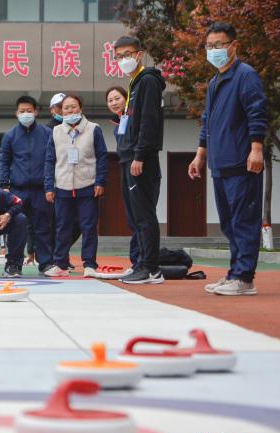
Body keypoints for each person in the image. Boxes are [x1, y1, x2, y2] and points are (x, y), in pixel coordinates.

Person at [189, 22, 267, 296]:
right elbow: (208, 121)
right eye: (210, 46)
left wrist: (256, 149)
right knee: (228, 222)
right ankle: (235, 273)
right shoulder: (214, 82)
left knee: (244, 220)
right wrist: (200, 155)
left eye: (220, 45)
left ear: (234, 46)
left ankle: (245, 278)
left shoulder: (246, 76)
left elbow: (257, 113)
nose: (214, 50)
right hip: (219, 164)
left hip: (241, 162)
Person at [113, 35, 165, 285]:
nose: (123, 59)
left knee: (144, 215)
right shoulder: (134, 83)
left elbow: (148, 122)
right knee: (135, 216)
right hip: (128, 157)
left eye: (127, 54)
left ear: (139, 54)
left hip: (140, 159)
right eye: (119, 56)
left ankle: (151, 268)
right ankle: (141, 264)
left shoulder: (147, 82)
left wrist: (140, 155)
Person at [43, 95, 108, 278]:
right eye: (66, 108)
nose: (70, 111)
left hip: (87, 185)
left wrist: (100, 181)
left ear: (80, 108)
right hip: (62, 185)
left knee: (88, 226)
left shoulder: (94, 129)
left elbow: (102, 157)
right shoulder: (56, 132)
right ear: (60, 111)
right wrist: (49, 186)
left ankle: (89, 264)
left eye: (73, 107)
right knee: (62, 227)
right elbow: (49, 160)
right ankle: (61, 264)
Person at [0, 95, 54, 276]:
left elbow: (52, 160)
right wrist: (4, 185)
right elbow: (4, 162)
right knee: (17, 226)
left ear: (36, 112)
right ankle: (14, 264)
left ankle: (46, 264)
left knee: (43, 228)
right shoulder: (10, 136)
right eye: (22, 111)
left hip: (41, 190)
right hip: (18, 190)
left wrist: (50, 186)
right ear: (16, 113)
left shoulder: (47, 134)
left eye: (29, 111)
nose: (26, 114)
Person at [106, 85, 140, 273]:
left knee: (140, 216)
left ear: (126, 99)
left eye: (117, 98)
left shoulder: (134, 118)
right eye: (110, 100)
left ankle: (142, 262)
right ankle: (137, 262)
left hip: (137, 168)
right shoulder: (118, 126)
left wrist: (138, 159)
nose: (113, 102)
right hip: (125, 168)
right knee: (132, 218)